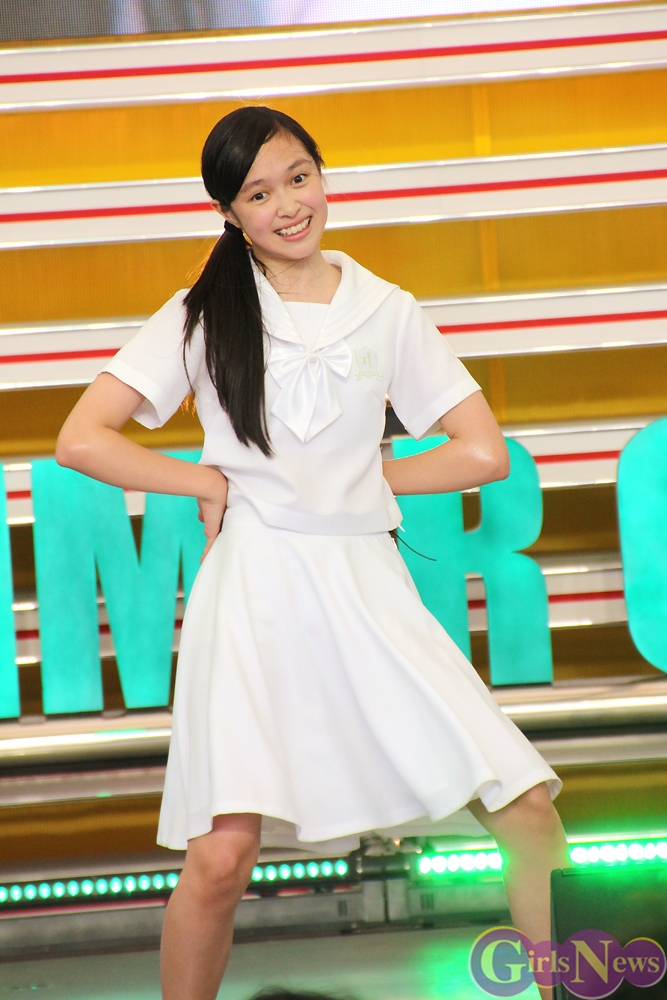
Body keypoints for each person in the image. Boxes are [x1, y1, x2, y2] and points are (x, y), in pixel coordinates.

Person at [56, 106, 570, 1000]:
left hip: (366, 585)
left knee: (526, 810)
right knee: (222, 856)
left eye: (299, 177)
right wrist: (209, 482)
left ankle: (575, 988)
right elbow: (81, 437)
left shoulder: (386, 309)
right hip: (253, 589)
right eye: (258, 194)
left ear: (322, 175)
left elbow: (482, 452)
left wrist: (363, 481)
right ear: (229, 213)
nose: (288, 205)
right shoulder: (203, 313)